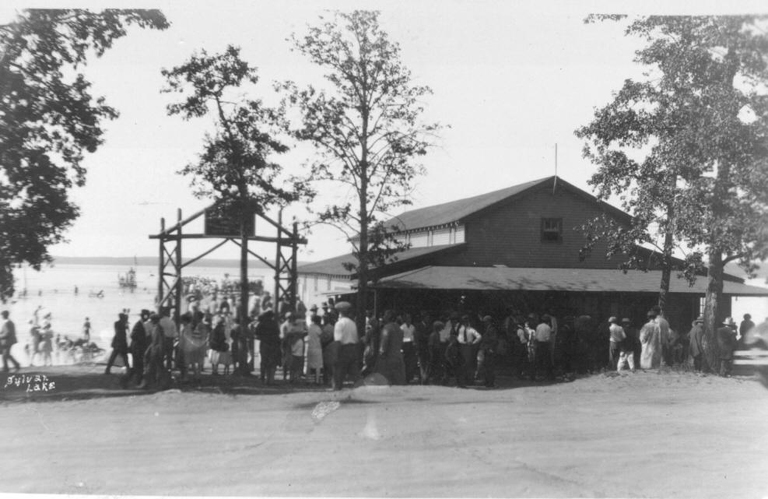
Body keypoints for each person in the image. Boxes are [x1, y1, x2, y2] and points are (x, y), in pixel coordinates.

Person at [332, 301, 360, 391]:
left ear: (339, 312)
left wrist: (335, 355)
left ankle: (337, 391)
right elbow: (356, 339)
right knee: (354, 373)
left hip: (343, 350)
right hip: (353, 349)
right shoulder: (352, 323)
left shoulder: (339, 324)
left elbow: (338, 341)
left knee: (339, 373)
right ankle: (361, 389)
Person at [375, 310, 406, 385]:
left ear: (389, 317)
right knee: (398, 382)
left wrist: (380, 357)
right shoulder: (400, 329)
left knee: (386, 382)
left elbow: (383, 346)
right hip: (399, 358)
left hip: (388, 360)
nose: (383, 317)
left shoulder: (386, 328)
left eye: (385, 315)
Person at [255, 310, 281, 385]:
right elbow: (278, 333)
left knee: (264, 361)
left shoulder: (261, 324)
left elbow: (256, 334)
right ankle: (270, 379)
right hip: (273, 344)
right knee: (272, 362)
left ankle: (263, 376)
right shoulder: (274, 323)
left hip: (264, 344)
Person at [140, 314, 166, 389]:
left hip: (156, 350)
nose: (151, 321)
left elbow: (160, 340)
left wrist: (160, 350)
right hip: (154, 349)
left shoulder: (158, 328)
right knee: (157, 367)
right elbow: (154, 341)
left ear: (154, 320)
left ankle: (148, 384)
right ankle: (158, 383)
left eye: (152, 320)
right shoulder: (156, 327)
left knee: (154, 367)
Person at [456, 314, 482, 387]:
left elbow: (479, 336)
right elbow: (459, 338)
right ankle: (463, 380)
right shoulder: (460, 329)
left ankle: (469, 380)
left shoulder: (471, 329)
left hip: (469, 347)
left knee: (468, 363)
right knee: (462, 363)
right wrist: (463, 342)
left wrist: (473, 342)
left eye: (466, 321)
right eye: (464, 321)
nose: (465, 322)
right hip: (462, 346)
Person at [476, 315, 499, 388]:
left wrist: (491, 348)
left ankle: (490, 382)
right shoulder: (487, 329)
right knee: (486, 366)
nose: (484, 323)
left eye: (485, 322)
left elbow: (494, 340)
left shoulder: (492, 329)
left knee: (490, 367)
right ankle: (487, 381)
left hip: (490, 349)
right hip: (486, 349)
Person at [130, 310, 150, 385]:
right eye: (146, 316)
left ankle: (137, 380)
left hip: (138, 348)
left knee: (138, 365)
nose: (147, 318)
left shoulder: (141, 324)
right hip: (137, 348)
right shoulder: (138, 325)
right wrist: (142, 339)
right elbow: (132, 335)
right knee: (138, 365)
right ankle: (136, 381)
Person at [534, 315, 555, 380]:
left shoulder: (538, 326)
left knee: (538, 360)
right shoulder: (548, 327)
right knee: (547, 360)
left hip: (538, 343)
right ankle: (547, 375)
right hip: (545, 344)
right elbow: (548, 338)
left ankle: (538, 375)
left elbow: (536, 336)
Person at [400, 313, 418, 383]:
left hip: (411, 347)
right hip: (405, 346)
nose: (409, 320)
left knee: (411, 362)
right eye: (407, 318)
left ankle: (410, 376)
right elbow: (401, 338)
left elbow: (415, 337)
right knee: (405, 362)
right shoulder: (402, 327)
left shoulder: (412, 327)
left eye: (410, 318)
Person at [414, 311, 431, 384]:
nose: (428, 319)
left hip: (428, 348)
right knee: (422, 364)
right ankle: (423, 379)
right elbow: (419, 337)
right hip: (421, 348)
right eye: (427, 318)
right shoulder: (418, 326)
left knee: (427, 364)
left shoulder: (430, 326)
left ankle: (425, 378)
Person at [306, 315, 324, 384]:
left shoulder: (309, 327)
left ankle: (307, 380)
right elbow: (322, 336)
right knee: (318, 365)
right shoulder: (317, 328)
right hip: (317, 347)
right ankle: (317, 380)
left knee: (309, 364)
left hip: (310, 347)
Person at [427, 320, 444, 384]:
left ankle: (437, 379)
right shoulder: (433, 335)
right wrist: (431, 354)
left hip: (438, 351)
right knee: (433, 367)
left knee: (438, 366)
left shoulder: (438, 334)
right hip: (434, 352)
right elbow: (430, 345)